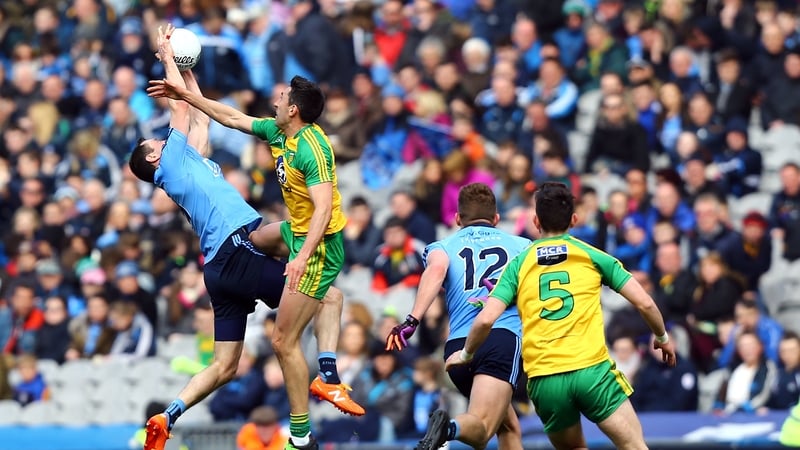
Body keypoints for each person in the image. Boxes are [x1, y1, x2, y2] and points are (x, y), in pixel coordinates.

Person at [134, 26, 355, 450]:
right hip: (237, 249)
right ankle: (315, 408)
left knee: (224, 366)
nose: (160, 137)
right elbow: (179, 108)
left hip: (219, 267)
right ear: (155, 156)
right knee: (327, 298)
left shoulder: (187, 161)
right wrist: (167, 57)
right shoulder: (172, 161)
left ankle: (168, 415)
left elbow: (203, 114)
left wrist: (187, 71)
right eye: (154, 141)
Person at [445, 182, 676, 450]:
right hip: (591, 371)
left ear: (536, 222)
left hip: (546, 381)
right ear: (574, 220)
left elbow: (486, 319)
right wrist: (662, 337)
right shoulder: (592, 255)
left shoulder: (518, 265)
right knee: (634, 446)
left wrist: (466, 355)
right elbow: (645, 303)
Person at [386, 182, 531, 450]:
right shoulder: (522, 246)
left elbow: (436, 271)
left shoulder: (442, 246)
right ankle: (448, 429)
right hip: (500, 339)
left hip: (457, 348)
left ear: (457, 219)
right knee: (483, 428)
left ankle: (449, 428)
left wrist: (412, 319)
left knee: (508, 426)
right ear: (496, 218)